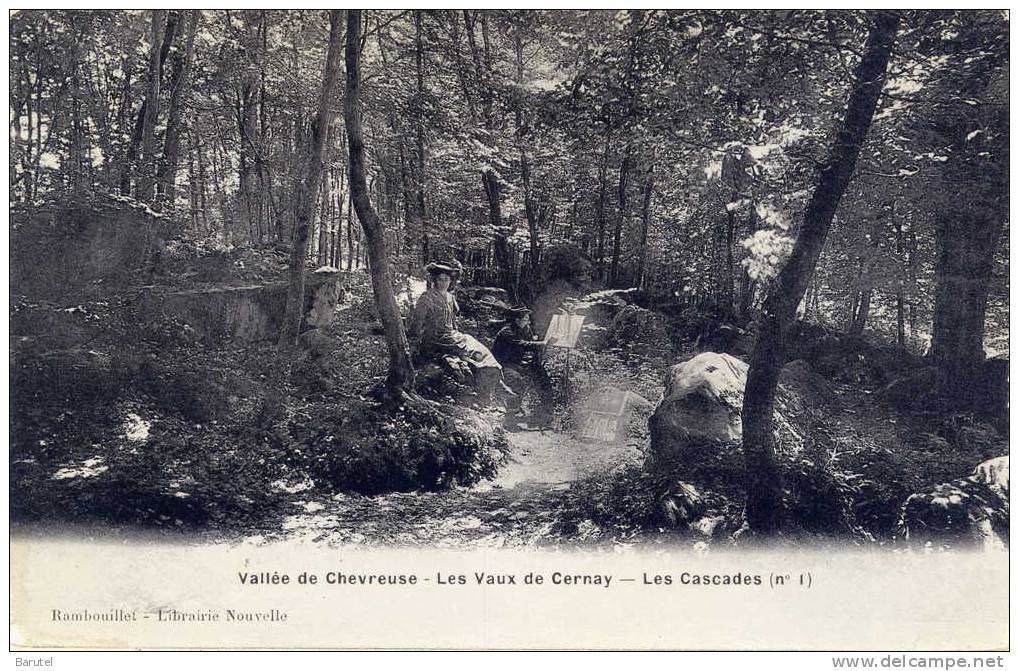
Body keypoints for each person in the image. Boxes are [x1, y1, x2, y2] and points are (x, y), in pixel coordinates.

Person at [408, 261, 513, 399]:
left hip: (452, 336)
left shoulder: (451, 297)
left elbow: (452, 321)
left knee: (480, 349)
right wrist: (416, 342)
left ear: (451, 281)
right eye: (440, 279)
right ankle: (491, 389)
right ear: (435, 280)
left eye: (447, 279)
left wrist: (458, 334)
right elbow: (417, 324)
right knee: (474, 354)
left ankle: (498, 382)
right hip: (435, 339)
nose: (443, 282)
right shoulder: (427, 298)